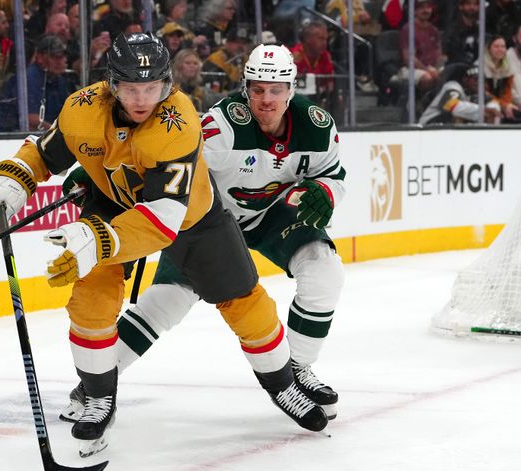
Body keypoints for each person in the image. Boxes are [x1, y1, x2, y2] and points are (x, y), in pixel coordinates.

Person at [0, 32, 329, 457]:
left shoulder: (177, 121)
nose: (142, 99)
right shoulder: (81, 109)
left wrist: (95, 239)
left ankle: (282, 385)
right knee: (91, 297)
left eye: (151, 89)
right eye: (130, 88)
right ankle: (99, 396)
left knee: (244, 302)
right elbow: (46, 152)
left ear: (167, 86)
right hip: (111, 203)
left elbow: (163, 219)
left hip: (192, 216)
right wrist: (13, 178)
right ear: (111, 85)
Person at [59, 43, 345, 426]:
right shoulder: (221, 126)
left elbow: (333, 175)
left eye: (276, 90)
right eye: (257, 88)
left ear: (292, 89)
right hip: (210, 221)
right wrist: (101, 176)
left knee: (325, 270)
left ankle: (296, 370)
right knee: (165, 303)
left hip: (272, 217)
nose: (266, 99)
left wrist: (325, 192)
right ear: (245, 87)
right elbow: (161, 162)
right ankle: (94, 388)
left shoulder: (317, 126)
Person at [0, 34, 71, 131]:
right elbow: (30, 120)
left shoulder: (59, 81)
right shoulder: (29, 78)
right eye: (57, 57)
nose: (62, 61)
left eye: (63, 57)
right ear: (40, 57)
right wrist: (58, 132)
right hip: (13, 135)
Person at [419, 63, 501, 125]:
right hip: (428, 127)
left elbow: (493, 108)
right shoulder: (452, 86)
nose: (479, 83)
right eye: (475, 79)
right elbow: (449, 105)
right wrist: (482, 110)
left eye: (482, 80)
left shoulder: (477, 95)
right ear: (465, 79)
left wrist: (490, 112)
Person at [394, 0, 444, 92]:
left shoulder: (434, 30)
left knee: (449, 74)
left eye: (428, 7)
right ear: (414, 11)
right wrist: (427, 70)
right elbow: (408, 58)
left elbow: (439, 55)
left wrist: (437, 69)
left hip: (432, 68)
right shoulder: (407, 29)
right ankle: (420, 104)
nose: (426, 10)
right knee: (427, 78)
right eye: (421, 8)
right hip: (410, 69)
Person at [202, 23, 253, 93]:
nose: (240, 46)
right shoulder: (215, 60)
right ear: (227, 43)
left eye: (244, 43)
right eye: (237, 42)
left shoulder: (248, 61)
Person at [172, 48, 224, 112]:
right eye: (187, 63)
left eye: (195, 63)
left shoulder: (202, 92)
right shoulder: (171, 90)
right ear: (178, 65)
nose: (192, 66)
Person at [483, 34, 519, 123]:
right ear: (489, 49)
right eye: (496, 46)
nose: (500, 49)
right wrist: (504, 105)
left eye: (503, 46)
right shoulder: (481, 66)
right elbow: (484, 93)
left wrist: (507, 105)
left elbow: (508, 91)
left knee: (515, 111)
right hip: (484, 102)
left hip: (502, 102)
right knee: (494, 107)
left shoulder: (508, 67)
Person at [441, 0, 480, 66]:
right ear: (460, 6)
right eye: (468, 4)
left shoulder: (480, 28)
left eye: (475, 4)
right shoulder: (452, 29)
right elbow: (450, 54)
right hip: (457, 67)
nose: (472, 7)